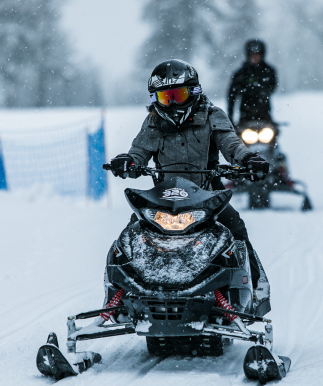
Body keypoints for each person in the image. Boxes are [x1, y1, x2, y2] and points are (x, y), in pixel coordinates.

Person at [108, 59, 268, 290]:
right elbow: (139, 151)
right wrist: (128, 161)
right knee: (130, 238)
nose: (172, 104)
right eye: (165, 97)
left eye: (178, 95)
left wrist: (248, 159)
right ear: (156, 99)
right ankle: (119, 297)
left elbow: (231, 144)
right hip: (162, 199)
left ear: (194, 92)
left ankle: (254, 286)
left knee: (235, 228)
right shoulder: (153, 122)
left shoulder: (213, 116)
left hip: (208, 195)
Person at [227, 39, 278, 125]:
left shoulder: (269, 71)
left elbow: (272, 86)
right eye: (252, 54)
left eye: (257, 54)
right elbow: (232, 95)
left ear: (262, 54)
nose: (255, 57)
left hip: (265, 113)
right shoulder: (241, 73)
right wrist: (230, 117)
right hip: (245, 115)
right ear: (248, 55)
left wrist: (261, 92)